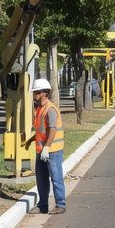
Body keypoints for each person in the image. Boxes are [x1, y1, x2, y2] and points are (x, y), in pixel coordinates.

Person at [25, 79, 67, 215]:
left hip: (52, 150)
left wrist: (47, 147)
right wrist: (30, 140)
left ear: (44, 93)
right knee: (41, 179)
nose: (34, 95)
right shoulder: (39, 108)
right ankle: (43, 205)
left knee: (56, 177)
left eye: (36, 92)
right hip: (41, 150)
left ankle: (60, 204)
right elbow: (41, 130)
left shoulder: (50, 109)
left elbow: (52, 129)